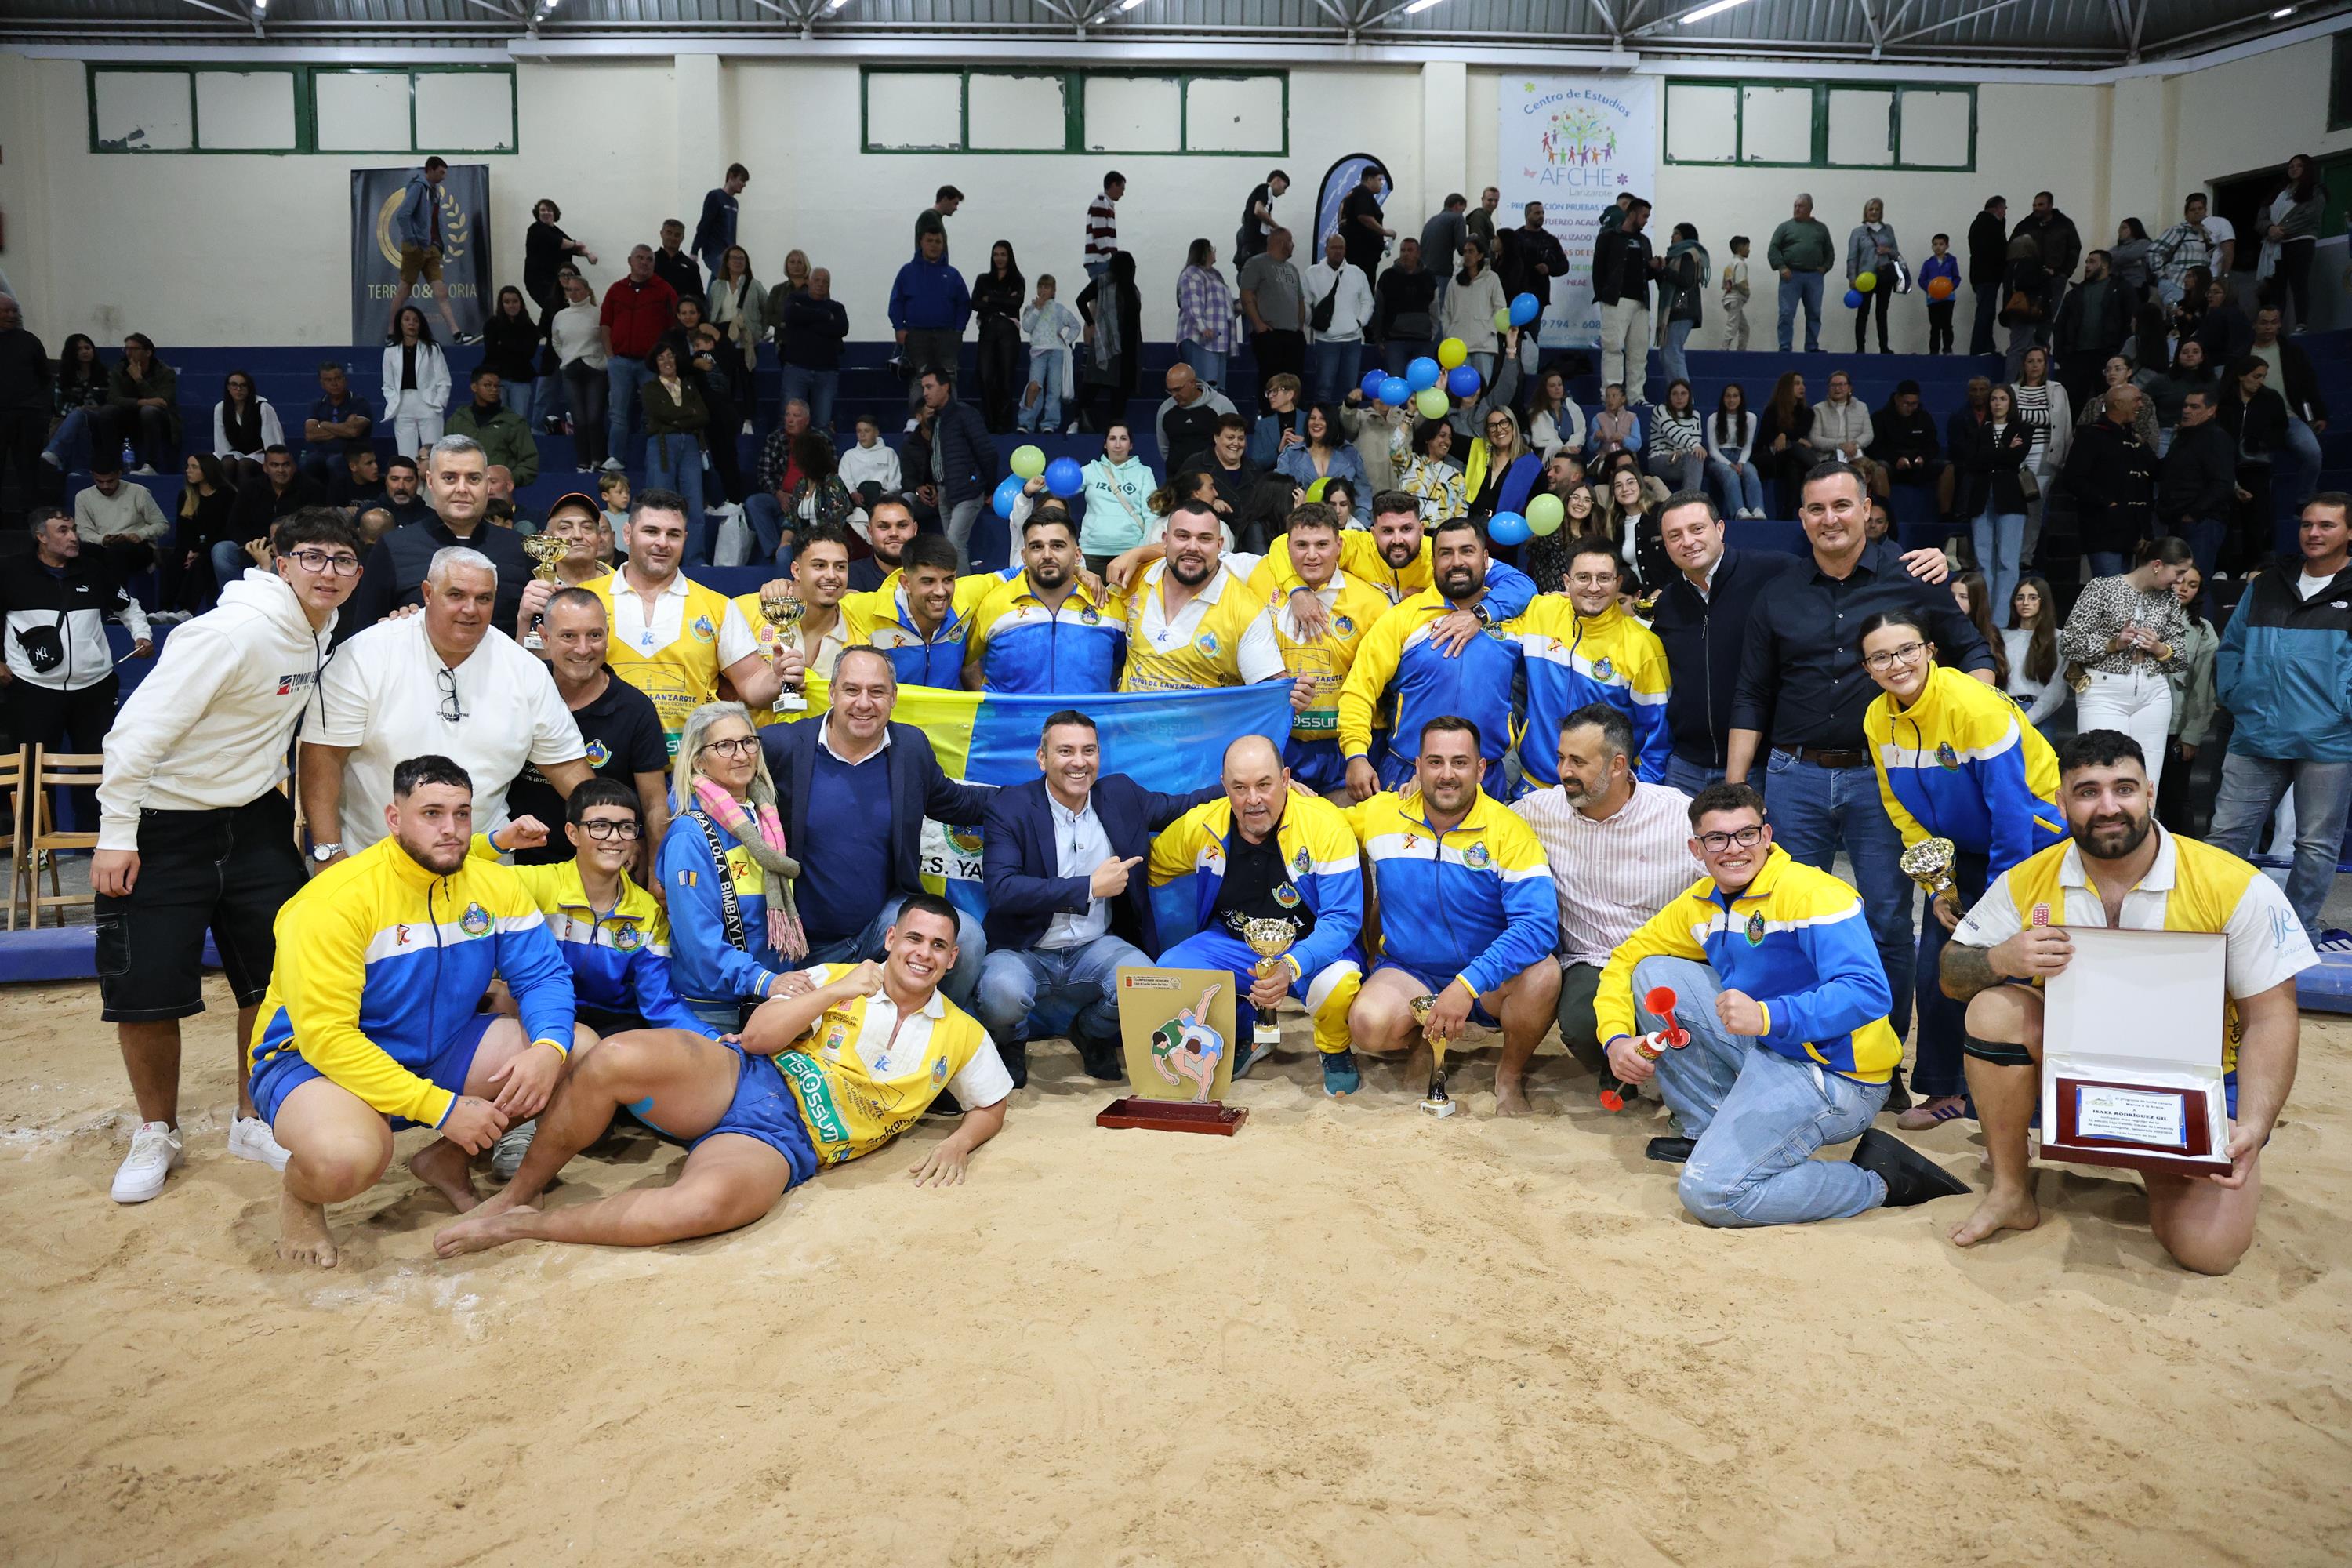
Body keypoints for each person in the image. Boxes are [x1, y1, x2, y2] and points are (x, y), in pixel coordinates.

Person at [434, 891, 1008, 1259]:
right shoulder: (841, 974)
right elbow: (756, 1037)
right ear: (891, 940)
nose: (923, 954)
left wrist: (958, 1143)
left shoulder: (962, 1033)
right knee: (612, 1057)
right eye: (913, 938)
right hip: (742, 1075)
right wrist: (835, 990)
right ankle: (516, 1193)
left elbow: (991, 1103)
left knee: (698, 1211)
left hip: (783, 1141)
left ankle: (527, 1227)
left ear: (953, 959)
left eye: (939, 946)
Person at [1939, 731, 2313, 1272]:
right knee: (1994, 1009)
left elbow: (2272, 1015)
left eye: (2124, 788)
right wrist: (2003, 958)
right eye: (2088, 791)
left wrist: (2253, 1123)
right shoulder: (2029, 881)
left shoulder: (2232, 885)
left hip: (2196, 1081)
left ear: (2150, 793)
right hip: (2075, 1066)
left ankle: (2152, 1159)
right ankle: (2011, 1188)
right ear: (2062, 802)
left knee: (2208, 1252)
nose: (2108, 806)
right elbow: (1952, 973)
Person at [86, 511, 355, 1205]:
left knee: (276, 978)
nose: (329, 571)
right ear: (281, 561)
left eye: (344, 560)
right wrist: (117, 832)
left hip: (255, 821)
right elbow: (132, 735)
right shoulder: (228, 633)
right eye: (313, 557)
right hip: (161, 824)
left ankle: (252, 1116)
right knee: (146, 991)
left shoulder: (320, 629)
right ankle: (157, 1131)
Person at [245, 750, 578, 1265]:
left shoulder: (495, 885)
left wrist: (548, 1048)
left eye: (462, 813)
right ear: (394, 819)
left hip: (441, 1045)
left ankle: (447, 1161)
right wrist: (442, 1109)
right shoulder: (332, 901)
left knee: (576, 1052)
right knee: (346, 1160)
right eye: (432, 813)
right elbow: (328, 1038)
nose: (451, 829)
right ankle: (301, 1196)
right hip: (314, 1064)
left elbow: (543, 977)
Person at [1599, 782, 1966, 1218]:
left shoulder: (1814, 894)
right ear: (1696, 849)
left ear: (1767, 835)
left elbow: (1868, 993)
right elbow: (1624, 960)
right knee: (1655, 973)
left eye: (1746, 834)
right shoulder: (1699, 904)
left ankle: (1882, 1180)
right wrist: (1616, 1039)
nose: (1733, 849)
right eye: (1717, 838)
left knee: (1712, 1194)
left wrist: (1769, 1015)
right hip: (1769, 1049)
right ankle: (1708, 1130)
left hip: (1836, 1075)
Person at [1726, 463, 1994, 1054]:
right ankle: (1800, 1046)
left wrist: (1976, 726)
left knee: (1886, 924)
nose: (1830, 520)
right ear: (1801, 518)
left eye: (1842, 506)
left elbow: (1973, 649)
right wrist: (1736, 787)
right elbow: (1753, 694)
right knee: (1791, 919)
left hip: (1885, 782)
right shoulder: (1779, 592)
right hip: (1793, 778)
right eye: (1817, 510)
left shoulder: (1914, 577)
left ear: (1867, 509)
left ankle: (1883, 1056)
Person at [1857, 606, 2063, 1130]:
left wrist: (1996, 902)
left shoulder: (1975, 707)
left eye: (1906, 650)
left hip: (2031, 845)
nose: (1896, 663)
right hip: (1961, 851)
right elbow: (1897, 804)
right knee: (1938, 968)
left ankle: (2032, 1104)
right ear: (1868, 669)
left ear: (1930, 651)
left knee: (2020, 972)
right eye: (1880, 657)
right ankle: (1945, 1092)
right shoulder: (1877, 719)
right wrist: (1939, 885)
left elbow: (2012, 812)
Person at [305, 539, 590, 859]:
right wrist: (328, 852)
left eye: (484, 599)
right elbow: (323, 757)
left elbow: (567, 768)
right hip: (372, 860)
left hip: (484, 865)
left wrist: (605, 830)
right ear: (427, 593)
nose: (470, 609)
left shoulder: (526, 671)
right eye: (456, 595)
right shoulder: (364, 655)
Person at [975, 711, 1210, 1083]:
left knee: (1145, 986)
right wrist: (1089, 888)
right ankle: (1011, 1043)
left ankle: (1090, 1033)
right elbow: (1003, 889)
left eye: (1089, 750)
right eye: (1065, 751)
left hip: (1095, 946)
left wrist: (1247, 787)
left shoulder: (1120, 795)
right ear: (1042, 758)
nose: (1079, 762)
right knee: (1001, 995)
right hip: (1022, 950)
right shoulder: (1011, 806)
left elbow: (1184, 806)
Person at [1344, 717, 1559, 1116]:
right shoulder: (1380, 815)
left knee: (1545, 974)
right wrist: (1282, 791)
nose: (1447, 775)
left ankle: (1509, 1075)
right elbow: (1319, 826)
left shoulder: (1510, 830)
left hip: (1489, 978)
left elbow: (1538, 926)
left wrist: (1468, 984)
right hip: (1412, 971)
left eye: (1460, 762)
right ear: (1417, 766)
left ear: (1480, 769)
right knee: (1367, 1027)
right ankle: (1426, 1041)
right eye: (1435, 762)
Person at [757, 647, 993, 1007]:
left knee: (969, 939)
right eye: (852, 690)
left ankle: (927, 1034)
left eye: (877, 691)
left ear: (894, 697)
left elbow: (955, 802)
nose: (864, 703)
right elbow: (716, 768)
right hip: (797, 942)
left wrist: (1037, 796)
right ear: (833, 692)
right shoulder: (785, 745)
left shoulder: (910, 747)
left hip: (881, 929)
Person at [1511, 703, 1693, 1105]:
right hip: (1592, 961)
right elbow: (1480, 821)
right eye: (1561, 758)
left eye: (1578, 761)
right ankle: (1618, 1070)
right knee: (1580, 1022)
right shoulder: (1539, 812)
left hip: (1664, 959)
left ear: (1617, 766)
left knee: (1688, 1016)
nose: (1563, 772)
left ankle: (1682, 1081)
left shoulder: (1679, 815)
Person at [2206, 495, 2352, 944]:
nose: (2313, 533)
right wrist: (2237, 695)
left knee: (2315, 846)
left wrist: (2342, 707)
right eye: (2307, 524)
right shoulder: (2268, 582)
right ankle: (2210, 928)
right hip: (2256, 734)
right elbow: (2230, 648)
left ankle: (2297, 931)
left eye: (2326, 525)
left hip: (2328, 739)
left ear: (2349, 533)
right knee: (2225, 837)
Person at [1339, 518, 1530, 797]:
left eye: (1467, 551)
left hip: (1485, 777)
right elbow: (1359, 689)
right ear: (1433, 560)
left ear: (1485, 558)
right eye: (1446, 553)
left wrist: (1481, 614)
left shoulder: (1518, 619)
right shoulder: (1403, 617)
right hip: (1408, 773)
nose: (1457, 562)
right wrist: (1355, 754)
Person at [506, 575, 671, 869]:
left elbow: (655, 804)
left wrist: (658, 871)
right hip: (518, 864)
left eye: (594, 636)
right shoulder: (518, 690)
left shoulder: (636, 709)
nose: (583, 649)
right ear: (544, 637)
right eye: (568, 636)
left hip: (602, 869)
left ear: (608, 635)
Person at [5, 503, 149, 825]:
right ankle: (34, 845)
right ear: (41, 537)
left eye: (74, 530)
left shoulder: (93, 569)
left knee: (99, 764)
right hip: (34, 687)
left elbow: (129, 606)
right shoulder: (11, 571)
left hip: (94, 686)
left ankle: (99, 840)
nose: (73, 538)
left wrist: (142, 634)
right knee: (32, 771)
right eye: (63, 531)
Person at [1258, 503, 1392, 797]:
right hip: (1283, 743)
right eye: (1301, 545)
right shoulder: (1258, 581)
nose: (1311, 555)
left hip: (1348, 746)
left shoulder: (1373, 604)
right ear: (1287, 546)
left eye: (1322, 544)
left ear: (1339, 545)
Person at [345, 434, 537, 635]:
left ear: (487, 485)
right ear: (430, 481)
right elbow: (364, 634)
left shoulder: (521, 549)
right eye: (449, 478)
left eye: (473, 478)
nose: (462, 489)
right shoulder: (392, 548)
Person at [2059, 536, 2191, 795]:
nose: (2180, 581)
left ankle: (2144, 832)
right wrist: (2113, 644)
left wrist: (2159, 648)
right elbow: (2069, 643)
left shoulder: (2170, 600)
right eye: (2178, 572)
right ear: (2157, 565)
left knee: (2147, 781)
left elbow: (2181, 658)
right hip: (2103, 693)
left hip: (2154, 693)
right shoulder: (2102, 588)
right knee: (2100, 774)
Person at [964, 514, 1125, 694]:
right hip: (1013, 722)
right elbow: (966, 662)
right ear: (1024, 556)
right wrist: (989, 709)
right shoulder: (994, 603)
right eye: (1036, 547)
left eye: (1058, 546)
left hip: (1087, 721)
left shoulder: (1109, 607)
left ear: (1077, 555)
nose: (1047, 555)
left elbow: (1127, 666)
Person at [598, 245, 680, 472]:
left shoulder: (664, 290)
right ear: (630, 261)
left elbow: (675, 325)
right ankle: (615, 457)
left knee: (652, 412)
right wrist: (610, 356)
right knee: (618, 413)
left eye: (649, 259)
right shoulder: (616, 290)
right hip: (620, 361)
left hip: (650, 364)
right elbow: (605, 324)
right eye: (640, 258)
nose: (644, 263)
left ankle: (650, 458)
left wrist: (664, 359)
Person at [2063, 383, 2157, 578]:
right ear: (2119, 404)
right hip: (2103, 530)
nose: (2140, 405)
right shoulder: (2090, 436)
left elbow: (2155, 472)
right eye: (2136, 400)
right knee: (2112, 595)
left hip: (2132, 533)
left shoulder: (2134, 438)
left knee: (2125, 598)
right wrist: (2108, 503)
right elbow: (2073, 479)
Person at [383, 158, 476, 345]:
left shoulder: (434, 192)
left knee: (441, 291)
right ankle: (391, 333)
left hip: (432, 247)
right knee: (404, 289)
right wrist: (413, 241)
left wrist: (437, 245)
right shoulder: (418, 187)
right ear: (430, 170)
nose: (443, 177)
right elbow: (403, 214)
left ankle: (457, 334)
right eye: (441, 172)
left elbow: (433, 219)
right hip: (416, 247)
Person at [2248, 305, 2328, 517]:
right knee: (2258, 466)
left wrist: (2319, 414)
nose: (2269, 327)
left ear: (2280, 324)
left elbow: (2308, 383)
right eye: (2264, 322)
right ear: (2255, 324)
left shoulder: (2291, 351)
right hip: (2255, 422)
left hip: (2290, 416)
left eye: (2274, 322)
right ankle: (2262, 516)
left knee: (2313, 453)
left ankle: (2304, 500)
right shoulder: (2244, 353)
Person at [1589, 196, 1656, 405]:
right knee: (1613, 348)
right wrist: (1604, 295)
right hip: (1616, 300)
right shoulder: (1609, 237)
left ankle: (1636, 396)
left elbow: (1647, 273)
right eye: (1644, 216)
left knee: (1639, 352)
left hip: (1641, 303)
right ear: (1633, 214)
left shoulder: (1645, 241)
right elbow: (1598, 270)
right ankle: (1611, 396)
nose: (1646, 221)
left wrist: (1656, 267)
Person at [2009, 191, 2083, 374]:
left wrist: (2063, 272)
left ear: (2050, 205)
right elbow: (2012, 250)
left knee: (2047, 319)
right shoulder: (2025, 225)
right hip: (2028, 281)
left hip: (2055, 279)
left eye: (2040, 205)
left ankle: (2040, 353)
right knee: (2025, 321)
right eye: (2034, 205)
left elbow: (2074, 249)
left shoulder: (2065, 225)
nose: (2036, 208)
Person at [2052, 249, 2131, 413]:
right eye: (2087, 262)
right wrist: (2061, 355)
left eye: (2092, 261)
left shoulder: (2121, 288)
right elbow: (2060, 325)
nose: (2087, 265)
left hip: (2108, 354)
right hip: (2077, 356)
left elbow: (2130, 320)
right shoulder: (2075, 293)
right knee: (2073, 403)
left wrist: (2122, 352)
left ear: (2105, 265)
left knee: (2108, 401)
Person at [548, 270, 611, 470]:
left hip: (595, 370)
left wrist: (600, 360)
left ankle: (598, 459)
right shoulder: (560, 316)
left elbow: (605, 340)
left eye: (577, 290)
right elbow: (556, 341)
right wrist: (566, 356)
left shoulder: (598, 314)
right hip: (571, 371)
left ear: (586, 291)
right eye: (569, 290)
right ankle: (583, 461)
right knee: (579, 419)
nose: (573, 294)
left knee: (594, 418)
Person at [1076, 250, 1143, 435]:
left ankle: (1115, 430)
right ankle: (1080, 421)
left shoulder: (1133, 288)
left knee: (1121, 391)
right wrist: (1092, 324)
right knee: (1093, 384)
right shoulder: (1103, 281)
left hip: (1129, 346)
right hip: (1107, 344)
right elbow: (1081, 300)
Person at [1304, 231, 1375, 407]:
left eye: (1341, 248)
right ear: (1326, 249)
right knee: (1324, 388)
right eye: (1334, 247)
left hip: (1353, 341)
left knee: (1350, 390)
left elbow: (1368, 301)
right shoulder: (1312, 273)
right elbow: (1304, 304)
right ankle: (1322, 428)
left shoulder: (1357, 273)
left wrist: (1358, 322)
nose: (1338, 251)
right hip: (1325, 341)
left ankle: (1347, 430)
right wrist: (1315, 325)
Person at [71, 458, 170, 582]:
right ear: (93, 476)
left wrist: (139, 534)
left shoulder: (138, 491)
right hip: (102, 545)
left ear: (119, 474)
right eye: (100, 481)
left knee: (116, 553)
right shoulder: (83, 497)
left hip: (137, 546)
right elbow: (84, 532)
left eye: (110, 481)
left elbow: (162, 524)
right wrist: (103, 540)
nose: (105, 486)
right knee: (80, 550)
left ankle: (118, 598)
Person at [1240, 227, 1308, 401]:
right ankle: (1268, 419)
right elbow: (1246, 294)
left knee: (1295, 381)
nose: (1293, 245)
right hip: (1270, 334)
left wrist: (1299, 327)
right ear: (1282, 243)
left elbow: (1300, 299)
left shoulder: (1292, 269)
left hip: (1293, 335)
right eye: (1291, 241)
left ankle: (1292, 420)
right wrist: (1258, 325)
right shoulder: (1256, 263)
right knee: (1270, 380)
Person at [447, 364, 541, 490]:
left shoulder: (513, 422)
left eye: (497, 386)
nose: (494, 390)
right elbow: (445, 455)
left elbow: (529, 460)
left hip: (498, 496)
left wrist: (507, 480)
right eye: (488, 385)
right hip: (464, 489)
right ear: (474, 387)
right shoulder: (458, 419)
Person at [2257, 153, 2323, 332]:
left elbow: (2310, 216)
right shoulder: (2279, 192)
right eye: (2291, 166)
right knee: (2277, 288)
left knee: (2298, 284)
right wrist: (2270, 228)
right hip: (2276, 245)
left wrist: (2281, 231)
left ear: (2307, 169)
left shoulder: (2315, 191)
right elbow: (2261, 218)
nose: (2294, 169)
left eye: (2299, 166)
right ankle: (2275, 326)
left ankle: (2301, 324)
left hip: (2300, 242)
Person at [379, 306, 451, 460]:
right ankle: (409, 484)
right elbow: (388, 384)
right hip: (402, 404)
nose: (411, 323)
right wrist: (393, 400)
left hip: (428, 403)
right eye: (407, 320)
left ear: (421, 325)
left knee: (433, 455)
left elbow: (443, 380)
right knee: (406, 456)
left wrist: (439, 403)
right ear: (400, 323)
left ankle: (432, 485)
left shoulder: (432, 348)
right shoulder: (390, 351)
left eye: (415, 321)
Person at [971, 240, 1026, 434]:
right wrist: (1003, 299)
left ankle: (1003, 424)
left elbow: (1016, 304)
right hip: (987, 330)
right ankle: (990, 421)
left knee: (1006, 377)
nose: (999, 258)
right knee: (985, 376)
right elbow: (975, 303)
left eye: (1003, 254)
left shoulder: (1017, 279)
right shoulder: (983, 279)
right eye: (996, 254)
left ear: (1009, 256)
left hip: (1008, 333)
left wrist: (990, 298)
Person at [1768, 194, 1834, 353]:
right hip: (1791, 276)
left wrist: (1825, 268)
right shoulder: (1784, 227)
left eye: (1801, 206)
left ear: (1810, 208)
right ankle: (1785, 347)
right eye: (1795, 205)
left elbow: (1829, 252)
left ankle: (1811, 347)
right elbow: (1773, 249)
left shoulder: (1821, 228)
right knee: (1786, 313)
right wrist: (1782, 267)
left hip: (1814, 277)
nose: (1797, 209)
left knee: (1814, 313)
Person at [1439, 235, 1508, 387]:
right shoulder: (1454, 281)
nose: (1467, 255)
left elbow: (1500, 309)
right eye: (1465, 252)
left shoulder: (1492, 279)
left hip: (1484, 345)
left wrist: (1489, 329)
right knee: (1458, 390)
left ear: (1480, 255)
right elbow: (1446, 312)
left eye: (1471, 251)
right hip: (1458, 345)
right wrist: (1449, 333)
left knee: (1482, 388)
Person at [1807, 370, 1881, 499]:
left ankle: (1879, 509)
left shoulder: (1861, 407)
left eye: (1841, 384)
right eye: (1833, 385)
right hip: (1828, 456)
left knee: (1878, 471)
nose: (1837, 388)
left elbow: (1868, 434)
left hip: (1856, 455)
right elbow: (1815, 439)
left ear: (1849, 388)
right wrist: (1840, 445)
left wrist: (1854, 444)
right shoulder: (1819, 409)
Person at [1175, 238, 1236, 394]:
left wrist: (1243, 305)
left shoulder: (1215, 275)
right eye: (1212, 248)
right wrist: (1203, 327)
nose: (1214, 252)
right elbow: (1192, 303)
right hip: (1200, 339)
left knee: (1217, 391)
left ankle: (1215, 417)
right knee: (1204, 388)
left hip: (1219, 340)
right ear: (1205, 252)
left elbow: (1225, 305)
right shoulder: (1192, 273)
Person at [524, 197, 596, 328]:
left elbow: (575, 248)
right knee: (555, 311)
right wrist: (576, 243)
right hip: (539, 281)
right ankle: (544, 336)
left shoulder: (557, 232)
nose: (546, 212)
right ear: (538, 213)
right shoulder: (536, 229)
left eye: (549, 210)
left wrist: (588, 254)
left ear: (554, 213)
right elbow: (561, 243)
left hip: (557, 282)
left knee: (559, 312)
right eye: (543, 210)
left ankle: (550, 336)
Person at [1868, 379, 1943, 504]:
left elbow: (1933, 445)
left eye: (1914, 404)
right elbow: (1874, 448)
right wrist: (1896, 459)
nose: (1910, 408)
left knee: (1947, 467)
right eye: (1906, 403)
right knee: (1879, 468)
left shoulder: (1924, 418)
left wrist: (1923, 457)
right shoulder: (1880, 418)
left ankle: (1946, 514)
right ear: (1897, 399)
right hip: (1891, 465)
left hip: (1918, 464)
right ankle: (1885, 511)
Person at [1158, 362, 1237, 476]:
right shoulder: (1165, 409)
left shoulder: (1221, 405)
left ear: (1193, 383)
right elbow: (1164, 447)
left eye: (1178, 389)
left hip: (1215, 479)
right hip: (1176, 480)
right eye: (1170, 391)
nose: (1174, 395)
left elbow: (1237, 442)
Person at [1845, 198, 1901, 354]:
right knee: (1863, 312)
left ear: (1881, 212)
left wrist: (1888, 251)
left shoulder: (1888, 229)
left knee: (1882, 313)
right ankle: (1860, 348)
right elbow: (1852, 257)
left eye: (1877, 209)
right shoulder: (1858, 232)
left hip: (1885, 275)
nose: (1874, 212)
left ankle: (1884, 347)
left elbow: (1896, 252)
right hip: (1865, 278)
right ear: (1866, 212)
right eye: (1871, 209)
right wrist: (1852, 277)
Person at [2149, 192, 2220, 307]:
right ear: (2186, 214)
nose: (2197, 212)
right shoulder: (2178, 231)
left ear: (2205, 211)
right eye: (2193, 209)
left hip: (2196, 290)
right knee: (2176, 321)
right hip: (2177, 284)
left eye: (2200, 209)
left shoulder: (2207, 234)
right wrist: (2162, 276)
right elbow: (2153, 251)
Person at [1643, 379, 1705, 497]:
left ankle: (1687, 500)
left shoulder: (1696, 416)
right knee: (1696, 452)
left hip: (1682, 460)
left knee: (1697, 456)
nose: (1679, 397)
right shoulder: (1660, 410)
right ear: (1669, 396)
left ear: (1689, 396)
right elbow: (1672, 430)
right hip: (1659, 459)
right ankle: (1690, 500)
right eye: (1675, 394)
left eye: (1683, 393)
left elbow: (1696, 445)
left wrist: (1681, 453)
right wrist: (1695, 446)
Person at [1966, 195, 2009, 357]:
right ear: (1998, 208)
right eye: (2004, 209)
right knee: (1985, 313)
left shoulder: (1980, 223)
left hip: (1981, 275)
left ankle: (1987, 346)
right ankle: (1978, 349)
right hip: (1988, 275)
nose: (2005, 213)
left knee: (1987, 312)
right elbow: (1997, 250)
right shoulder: (1990, 225)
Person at [210, 368, 281, 464]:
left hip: (260, 454)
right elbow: (221, 442)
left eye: (243, 385)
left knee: (245, 464)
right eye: (234, 385)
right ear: (228, 387)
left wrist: (274, 461)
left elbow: (272, 439)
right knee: (227, 462)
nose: (239, 389)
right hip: (237, 453)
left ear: (249, 388)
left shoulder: (262, 407)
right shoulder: (221, 408)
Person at [1236, 169, 1288, 265]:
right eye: (1284, 187)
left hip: (1249, 245)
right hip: (1255, 244)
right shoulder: (1266, 188)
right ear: (1277, 180)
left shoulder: (1261, 196)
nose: (1284, 192)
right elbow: (1259, 210)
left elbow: (1245, 217)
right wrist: (1278, 228)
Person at [1919, 233, 1960, 354]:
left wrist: (1951, 287)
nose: (1938, 247)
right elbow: (1921, 280)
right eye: (1935, 244)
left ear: (1947, 246)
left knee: (1947, 324)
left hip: (1948, 299)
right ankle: (1934, 350)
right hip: (1933, 300)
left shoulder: (1952, 261)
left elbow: (1957, 277)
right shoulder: (1928, 263)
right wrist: (1930, 288)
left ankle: (1947, 348)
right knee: (1935, 326)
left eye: (1941, 244)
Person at [1084, 171, 1125, 280]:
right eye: (1122, 188)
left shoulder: (1106, 205)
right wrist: (1110, 260)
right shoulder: (1101, 203)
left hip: (1100, 260)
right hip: (1100, 261)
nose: (1122, 193)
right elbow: (1099, 235)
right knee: (1107, 295)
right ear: (1113, 185)